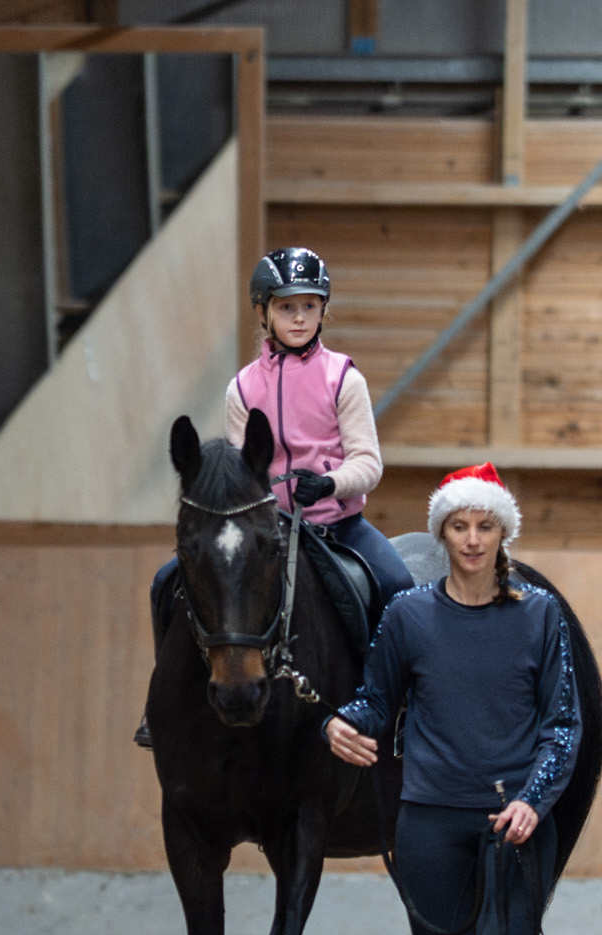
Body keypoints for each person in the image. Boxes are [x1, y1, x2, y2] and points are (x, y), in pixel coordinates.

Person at [324, 466, 580, 935]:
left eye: (485, 525)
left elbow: (563, 724)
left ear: (504, 533)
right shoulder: (408, 615)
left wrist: (534, 800)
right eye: (459, 526)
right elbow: (375, 702)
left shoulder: (541, 616)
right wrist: (336, 723)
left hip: (512, 826)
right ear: (442, 534)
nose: (472, 539)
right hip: (430, 822)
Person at [137, 246, 415, 747]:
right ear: (263, 311)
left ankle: (400, 706)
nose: (300, 317)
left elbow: (368, 463)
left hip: (337, 526)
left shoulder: (343, 378)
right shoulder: (242, 388)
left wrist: (328, 483)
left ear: (323, 310)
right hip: (268, 527)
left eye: (310, 306)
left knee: (398, 584)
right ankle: (163, 707)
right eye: (287, 307)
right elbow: (241, 471)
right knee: (164, 582)